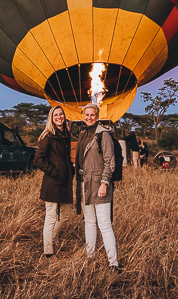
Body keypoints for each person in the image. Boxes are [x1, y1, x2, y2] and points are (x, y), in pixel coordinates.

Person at [75, 103, 120, 271]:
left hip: (100, 184)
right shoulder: (82, 133)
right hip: (85, 183)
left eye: (92, 115)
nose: (89, 117)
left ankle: (113, 262)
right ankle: (90, 255)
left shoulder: (103, 134)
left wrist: (104, 183)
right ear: (83, 115)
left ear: (97, 116)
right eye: (86, 114)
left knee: (104, 224)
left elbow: (110, 162)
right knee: (89, 222)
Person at [33, 106, 74, 260]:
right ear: (51, 118)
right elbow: (38, 160)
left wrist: (70, 170)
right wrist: (55, 172)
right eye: (56, 115)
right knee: (51, 217)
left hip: (65, 182)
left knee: (66, 215)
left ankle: (49, 239)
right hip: (53, 182)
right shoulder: (48, 137)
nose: (59, 117)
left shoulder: (65, 135)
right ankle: (48, 252)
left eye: (61, 114)